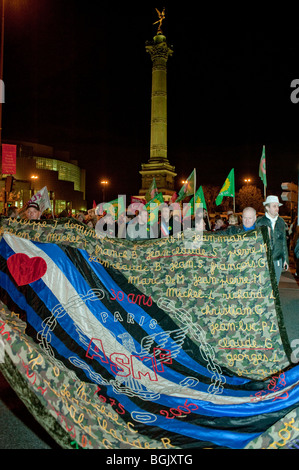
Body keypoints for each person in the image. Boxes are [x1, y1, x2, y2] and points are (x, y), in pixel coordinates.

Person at [256, 195, 289, 283]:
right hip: (262, 260)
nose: (277, 208)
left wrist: (285, 260)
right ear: (267, 207)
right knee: (263, 284)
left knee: (275, 284)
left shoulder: (281, 222)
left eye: (277, 206)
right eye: (274, 206)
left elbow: (283, 242)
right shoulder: (259, 222)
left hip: (277, 260)